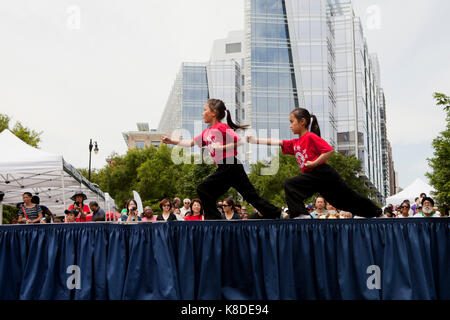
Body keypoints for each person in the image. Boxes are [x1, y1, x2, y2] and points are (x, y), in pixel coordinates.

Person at [247, 108, 381, 219]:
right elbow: (277, 141)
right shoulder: (296, 143)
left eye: (292, 122)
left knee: (346, 198)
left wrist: (314, 163)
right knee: (299, 188)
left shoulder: (310, 137)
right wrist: (255, 140)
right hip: (313, 177)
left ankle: (376, 213)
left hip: (323, 174)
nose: (290, 125)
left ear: (302, 122)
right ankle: (301, 214)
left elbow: (329, 150)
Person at [162, 98, 281, 220]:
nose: (202, 113)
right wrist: (171, 141)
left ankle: (213, 219)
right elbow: (191, 143)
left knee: (204, 188)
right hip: (225, 168)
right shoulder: (206, 132)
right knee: (216, 193)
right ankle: (275, 212)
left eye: (205, 110)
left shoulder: (221, 127)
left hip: (230, 165)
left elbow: (239, 141)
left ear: (213, 113)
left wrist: (221, 147)